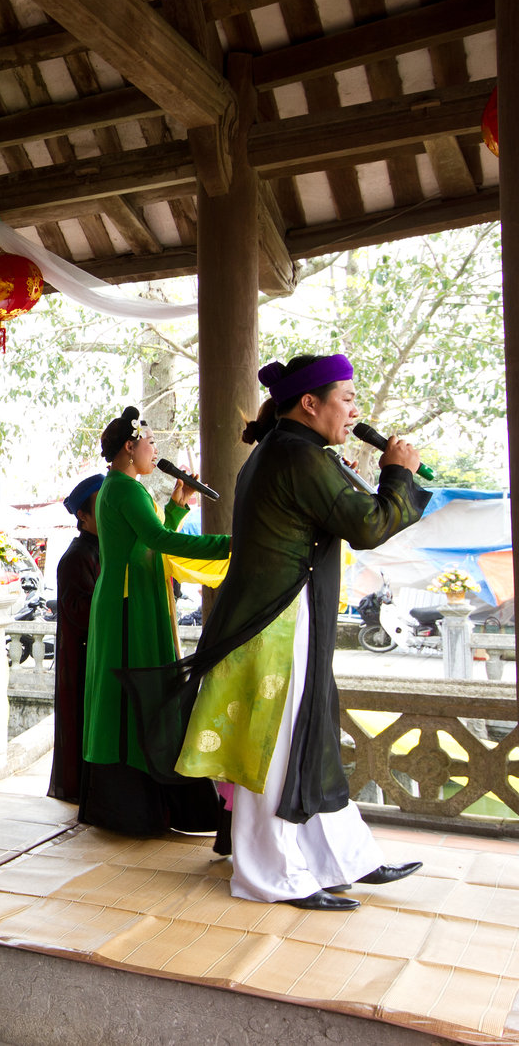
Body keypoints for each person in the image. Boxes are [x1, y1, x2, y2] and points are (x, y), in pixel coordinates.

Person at [127, 354, 429, 911]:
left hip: (285, 616)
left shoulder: (293, 451)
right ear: (310, 404)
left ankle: (342, 858)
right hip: (276, 621)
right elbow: (368, 524)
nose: (354, 411)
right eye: (346, 399)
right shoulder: (295, 454)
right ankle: (269, 874)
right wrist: (398, 475)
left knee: (307, 740)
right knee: (274, 747)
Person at [82, 407, 230, 837]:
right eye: (151, 443)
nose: (155, 451)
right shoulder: (124, 489)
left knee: (143, 692)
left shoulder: (122, 488)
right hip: (129, 605)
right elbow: (158, 540)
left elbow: (146, 541)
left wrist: (177, 507)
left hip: (133, 598)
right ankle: (137, 805)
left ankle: (150, 802)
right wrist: (229, 545)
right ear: (130, 447)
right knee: (137, 693)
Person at [47, 475, 101, 804]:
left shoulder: (102, 549)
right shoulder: (77, 556)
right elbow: (80, 611)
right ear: (83, 515)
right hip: (82, 658)